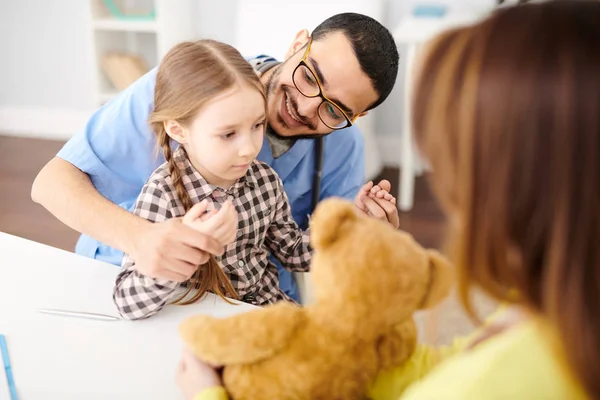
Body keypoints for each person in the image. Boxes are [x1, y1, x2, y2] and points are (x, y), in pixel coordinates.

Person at [177, 1, 600, 399]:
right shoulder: (545, 320)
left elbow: (310, 255)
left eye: (452, 154)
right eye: (310, 77)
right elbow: (449, 365)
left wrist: (205, 394)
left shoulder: (501, 376)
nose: (306, 108)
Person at [30, 12, 400, 302]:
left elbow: (322, 259)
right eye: (309, 76)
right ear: (298, 44)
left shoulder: (342, 146)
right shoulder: (189, 83)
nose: (304, 108)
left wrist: (366, 240)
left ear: (356, 117)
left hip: (252, 298)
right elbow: (51, 182)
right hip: (141, 279)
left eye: (334, 109)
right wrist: (141, 239)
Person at [114, 40, 311, 320]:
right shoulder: (163, 194)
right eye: (228, 134)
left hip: (268, 316)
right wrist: (188, 249)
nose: (249, 148)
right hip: (204, 329)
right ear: (178, 130)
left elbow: (292, 251)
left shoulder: (266, 181)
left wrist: (350, 233)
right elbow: (127, 302)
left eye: (257, 125)